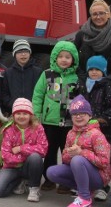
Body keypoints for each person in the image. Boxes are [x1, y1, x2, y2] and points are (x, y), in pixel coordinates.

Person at [46, 95, 111, 207]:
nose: (79, 116)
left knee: (77, 160)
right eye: (75, 114)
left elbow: (104, 162)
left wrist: (81, 153)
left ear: (89, 115)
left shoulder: (96, 134)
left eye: (82, 113)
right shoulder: (70, 133)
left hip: (99, 176)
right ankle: (85, 190)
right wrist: (69, 154)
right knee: (51, 172)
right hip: (80, 169)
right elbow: (65, 159)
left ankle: (85, 199)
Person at [32, 40, 80, 193]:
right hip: (49, 122)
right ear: (54, 58)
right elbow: (38, 95)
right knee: (49, 152)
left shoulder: (76, 78)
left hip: (69, 124)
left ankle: (65, 181)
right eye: (61, 57)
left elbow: (80, 100)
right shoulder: (46, 74)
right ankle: (49, 180)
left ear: (73, 60)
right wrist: (36, 115)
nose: (64, 60)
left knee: (67, 153)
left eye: (68, 57)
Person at [0, 98, 48, 202]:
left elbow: (43, 149)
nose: (21, 116)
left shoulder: (38, 128)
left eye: (25, 113)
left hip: (29, 166)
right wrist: (23, 157)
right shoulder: (8, 130)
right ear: (13, 115)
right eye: (18, 113)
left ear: (30, 115)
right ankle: (19, 181)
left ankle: (34, 188)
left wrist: (21, 148)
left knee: (35, 157)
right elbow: (5, 155)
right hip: (12, 167)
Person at [73, 0, 111, 81]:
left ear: (107, 15)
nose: (98, 17)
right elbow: (73, 58)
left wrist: (107, 81)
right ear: (91, 16)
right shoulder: (81, 35)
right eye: (94, 14)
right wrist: (82, 77)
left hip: (105, 85)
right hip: (83, 82)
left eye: (101, 13)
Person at [82, 55, 111, 143]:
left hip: (104, 131)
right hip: (85, 129)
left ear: (103, 71)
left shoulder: (108, 86)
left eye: (97, 70)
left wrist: (103, 119)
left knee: (102, 155)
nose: (94, 72)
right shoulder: (83, 85)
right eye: (91, 69)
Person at [1, 39, 42, 115]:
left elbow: (41, 93)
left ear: (30, 53)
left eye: (26, 51)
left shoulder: (38, 72)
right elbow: (4, 94)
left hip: (32, 112)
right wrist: (13, 105)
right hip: (14, 112)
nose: (23, 54)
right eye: (19, 52)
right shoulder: (8, 73)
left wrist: (34, 107)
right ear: (14, 54)